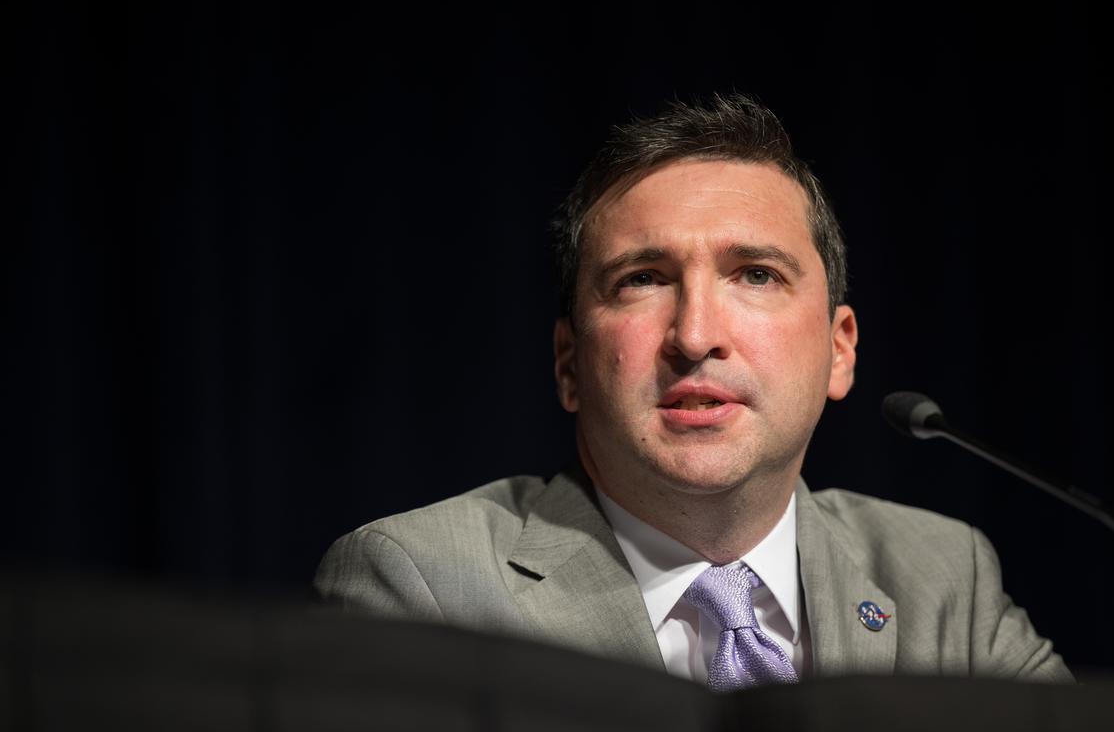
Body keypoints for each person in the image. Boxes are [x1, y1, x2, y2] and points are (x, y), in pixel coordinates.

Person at [315, 94, 1071, 688]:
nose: (695, 333)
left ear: (840, 350)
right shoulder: (423, 589)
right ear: (569, 363)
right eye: (643, 279)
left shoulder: (944, 581)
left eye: (755, 274)